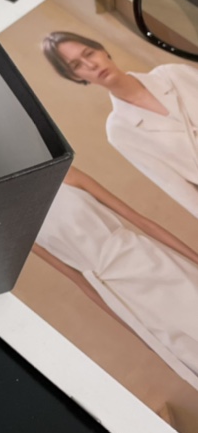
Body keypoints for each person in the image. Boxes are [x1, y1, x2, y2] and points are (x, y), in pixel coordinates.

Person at [33, 167, 198, 390]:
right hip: (120, 293)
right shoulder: (24, 231)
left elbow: (142, 222)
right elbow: (80, 282)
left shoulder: (66, 175)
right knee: (185, 348)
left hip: (148, 260)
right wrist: (141, 335)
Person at [43, 30, 198, 219]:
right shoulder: (119, 130)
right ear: (74, 76)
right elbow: (171, 183)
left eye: (89, 53)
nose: (91, 65)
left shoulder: (173, 74)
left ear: (102, 50)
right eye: (77, 65)